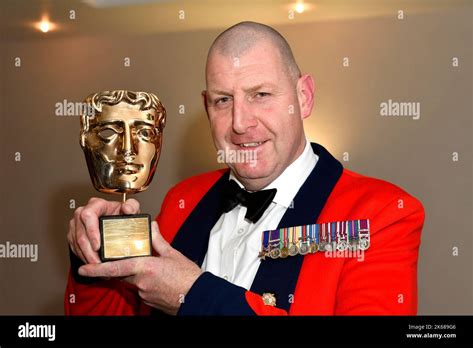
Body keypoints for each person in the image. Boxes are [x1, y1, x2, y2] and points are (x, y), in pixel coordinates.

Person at [65, 21, 424, 316]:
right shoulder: (183, 201)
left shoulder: (381, 214)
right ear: (207, 107)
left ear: (303, 97)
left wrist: (193, 295)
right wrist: (95, 259)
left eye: (261, 95)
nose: (239, 123)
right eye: (223, 100)